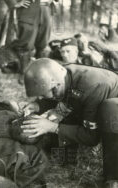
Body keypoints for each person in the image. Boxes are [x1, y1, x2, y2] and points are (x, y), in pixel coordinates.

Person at [22, 58, 118, 188]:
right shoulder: (62, 74)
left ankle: (113, 178)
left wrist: (53, 127)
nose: (44, 98)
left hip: (113, 110)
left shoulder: (93, 87)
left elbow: (91, 137)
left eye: (44, 96)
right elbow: (67, 97)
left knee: (110, 109)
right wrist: (38, 105)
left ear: (56, 86)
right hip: (98, 102)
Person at [4, 0, 53, 82]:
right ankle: (24, 72)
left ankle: (39, 72)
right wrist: (13, 3)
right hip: (28, 9)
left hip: (46, 9)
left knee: (42, 43)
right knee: (26, 44)